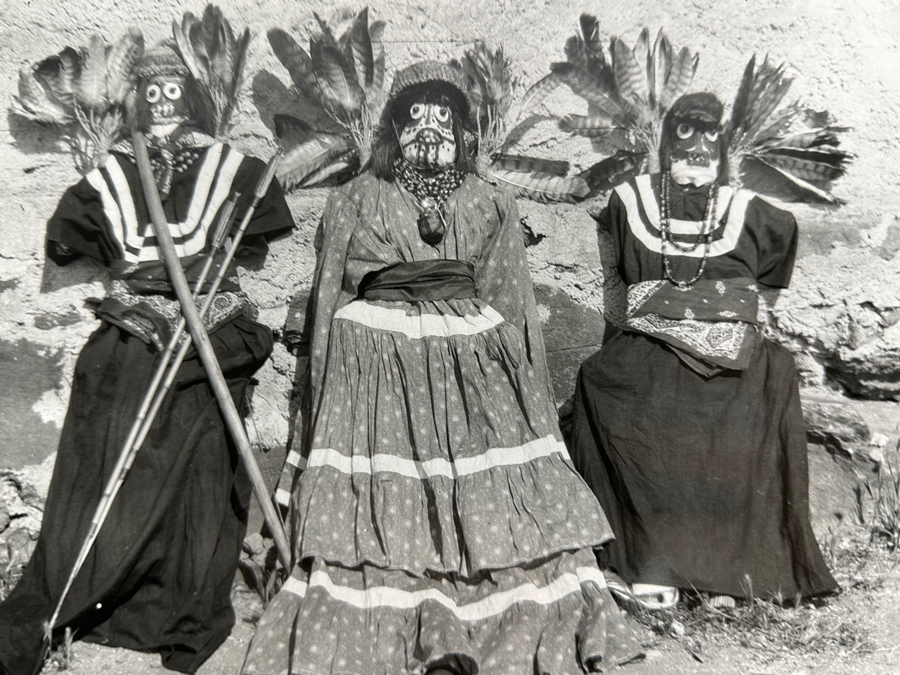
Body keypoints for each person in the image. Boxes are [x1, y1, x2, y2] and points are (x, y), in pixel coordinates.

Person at [242, 61, 642, 675]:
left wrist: (528, 394)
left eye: (443, 118)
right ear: (393, 130)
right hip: (375, 359)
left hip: (471, 357)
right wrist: (320, 395)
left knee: (488, 485)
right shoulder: (355, 199)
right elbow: (328, 298)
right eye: (415, 118)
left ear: (462, 130)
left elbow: (512, 300)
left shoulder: (490, 201)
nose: (429, 130)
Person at [0, 45, 293, 674]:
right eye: (150, 91)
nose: (161, 102)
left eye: (173, 90)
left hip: (211, 321)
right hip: (135, 321)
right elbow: (72, 234)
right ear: (138, 98)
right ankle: (88, 581)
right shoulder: (117, 169)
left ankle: (181, 588)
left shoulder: (228, 166)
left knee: (204, 459)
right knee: (112, 425)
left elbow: (253, 225)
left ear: (192, 98)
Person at [570, 92, 838, 609]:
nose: (695, 151)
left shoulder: (752, 211)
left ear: (722, 147)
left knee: (771, 374)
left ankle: (733, 574)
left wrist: (731, 316)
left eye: (708, 139)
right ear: (667, 143)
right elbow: (621, 285)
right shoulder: (630, 201)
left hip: (731, 349)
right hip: (652, 341)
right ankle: (649, 563)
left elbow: (771, 275)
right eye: (684, 138)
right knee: (600, 381)